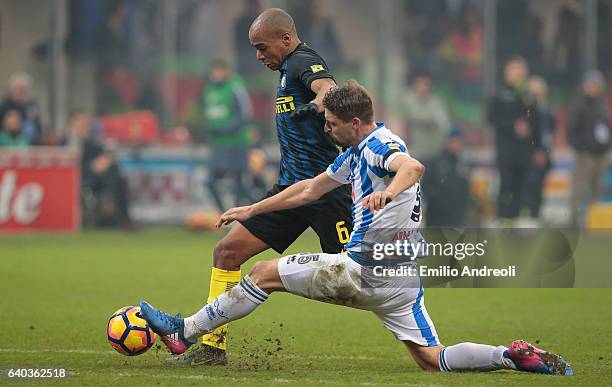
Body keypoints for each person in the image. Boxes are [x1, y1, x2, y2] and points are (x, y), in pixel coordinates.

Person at [139, 81, 572, 377]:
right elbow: (308, 189)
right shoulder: (357, 149)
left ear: (355, 123)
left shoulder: (380, 146)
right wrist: (252, 209)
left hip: (364, 271)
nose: (325, 129)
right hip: (403, 280)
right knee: (429, 358)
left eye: (330, 123)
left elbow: (413, 167)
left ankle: (184, 331)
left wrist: (389, 191)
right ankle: (511, 357)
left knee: (261, 274)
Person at [168, 8, 353, 366]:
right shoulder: (286, 69)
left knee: (359, 279)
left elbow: (328, 89)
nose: (258, 55)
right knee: (227, 253)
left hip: (325, 191)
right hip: (289, 192)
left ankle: (421, 326)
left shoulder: (303, 60)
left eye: (261, 47)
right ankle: (212, 346)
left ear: (285, 39)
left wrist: (317, 106)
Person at [487, 57, 542, 224]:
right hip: (506, 149)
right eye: (514, 71)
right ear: (507, 73)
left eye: (521, 72)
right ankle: (503, 218)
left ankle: (517, 219)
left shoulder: (529, 96)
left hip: (524, 151)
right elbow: (491, 118)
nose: (518, 75)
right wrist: (512, 126)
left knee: (522, 185)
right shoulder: (499, 94)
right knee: (506, 184)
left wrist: (538, 147)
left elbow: (536, 122)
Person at [202, 59, 255, 212]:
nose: (217, 74)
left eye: (220, 70)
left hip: (236, 143)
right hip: (218, 144)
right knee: (210, 182)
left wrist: (226, 128)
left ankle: (245, 216)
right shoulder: (209, 90)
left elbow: (245, 115)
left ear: (226, 71)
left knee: (239, 184)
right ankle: (222, 214)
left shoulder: (235, 87)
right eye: (214, 71)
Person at [64, 110, 131, 228]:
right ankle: (117, 217)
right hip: (78, 177)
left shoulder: (91, 142)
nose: (84, 124)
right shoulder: (65, 142)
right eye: (80, 121)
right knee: (114, 178)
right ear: (71, 123)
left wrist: (105, 161)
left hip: (97, 177)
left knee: (116, 175)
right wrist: (91, 166)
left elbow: (103, 155)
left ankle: (120, 218)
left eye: (85, 122)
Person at [567, 70, 611, 226]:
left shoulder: (601, 105)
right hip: (586, 154)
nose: (594, 88)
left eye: (596, 85)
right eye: (591, 84)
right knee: (580, 187)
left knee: (597, 187)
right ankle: (574, 219)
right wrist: (581, 148)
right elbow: (572, 130)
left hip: (601, 153)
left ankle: (593, 219)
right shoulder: (579, 105)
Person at [421, 127, 470, 227]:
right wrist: (436, 201)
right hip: (436, 216)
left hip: (456, 218)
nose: (455, 145)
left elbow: (465, 189)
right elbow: (426, 186)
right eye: (453, 141)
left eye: (458, 142)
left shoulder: (463, 165)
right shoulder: (434, 163)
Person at [523, 76, 555, 222]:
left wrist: (547, 151)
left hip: (545, 152)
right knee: (530, 185)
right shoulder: (528, 109)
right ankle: (528, 215)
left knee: (539, 186)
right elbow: (530, 133)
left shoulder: (547, 109)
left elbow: (550, 131)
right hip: (532, 154)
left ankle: (536, 215)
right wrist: (537, 150)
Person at [401, 72, 450, 161]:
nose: (422, 87)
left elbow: (442, 122)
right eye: (419, 83)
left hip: (432, 148)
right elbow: (403, 119)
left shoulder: (436, 102)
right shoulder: (407, 100)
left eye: (425, 84)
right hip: (411, 149)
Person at [0, 72, 43, 145]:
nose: (21, 91)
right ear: (12, 89)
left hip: (29, 143)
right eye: (18, 88)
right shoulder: (4, 105)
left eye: (24, 89)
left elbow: (38, 127)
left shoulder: (32, 105)